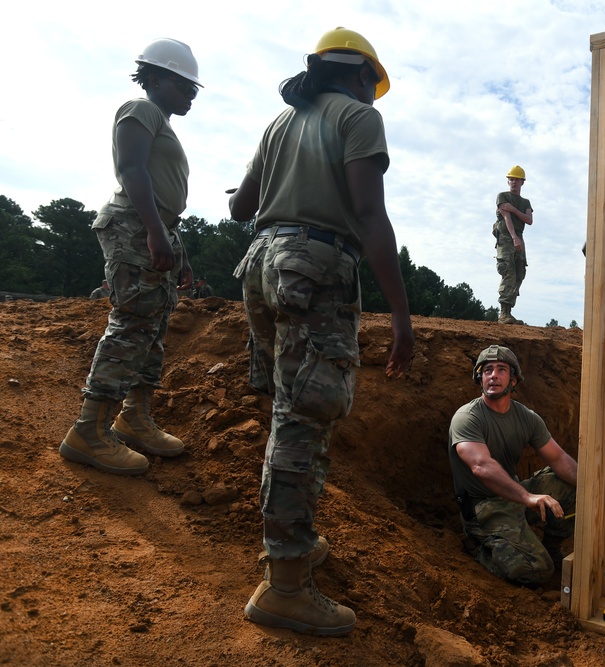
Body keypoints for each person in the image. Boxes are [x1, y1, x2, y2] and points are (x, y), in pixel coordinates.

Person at [227, 27, 413, 637]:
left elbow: (239, 208)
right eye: (372, 85)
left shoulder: (282, 122)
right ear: (362, 75)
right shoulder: (358, 117)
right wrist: (402, 316)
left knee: (292, 410)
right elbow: (367, 213)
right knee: (301, 421)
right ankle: (284, 585)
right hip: (316, 269)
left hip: (260, 263)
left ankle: (294, 544)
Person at [60, 39, 201, 476]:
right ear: (154, 79)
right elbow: (132, 170)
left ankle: (133, 418)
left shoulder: (159, 119)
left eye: (194, 89)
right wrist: (155, 231)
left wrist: (177, 246)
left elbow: (160, 188)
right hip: (135, 225)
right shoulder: (139, 110)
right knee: (132, 323)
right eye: (183, 85)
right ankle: (88, 431)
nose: (190, 95)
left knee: (153, 327)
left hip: (156, 227)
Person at [449, 345, 577, 587]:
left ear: (514, 380)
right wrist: (528, 497)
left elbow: (559, 459)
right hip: (483, 509)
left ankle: (551, 547)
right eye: (487, 370)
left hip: (513, 497)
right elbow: (481, 465)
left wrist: (595, 489)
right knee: (537, 570)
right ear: (480, 378)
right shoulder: (467, 417)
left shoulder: (526, 417)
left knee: (568, 483)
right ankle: (480, 548)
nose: (493, 375)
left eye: (501, 369)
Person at [494, 166, 533, 324]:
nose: (513, 182)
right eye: (511, 179)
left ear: (522, 182)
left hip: (519, 236)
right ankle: (503, 313)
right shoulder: (502, 196)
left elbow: (529, 220)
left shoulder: (525, 202)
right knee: (508, 270)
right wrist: (514, 238)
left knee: (520, 271)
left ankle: (509, 310)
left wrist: (515, 210)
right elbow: (507, 219)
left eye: (516, 179)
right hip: (506, 236)